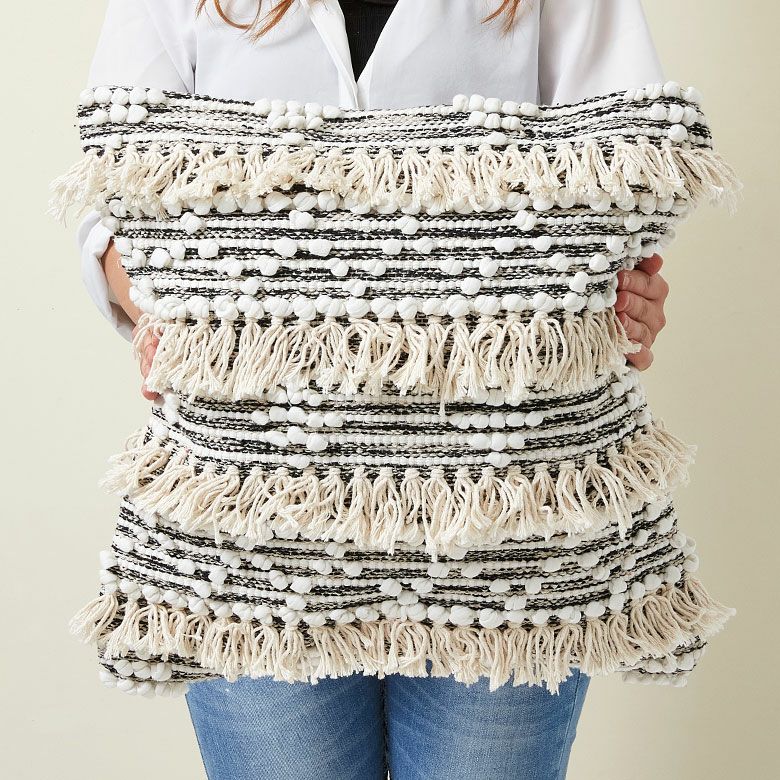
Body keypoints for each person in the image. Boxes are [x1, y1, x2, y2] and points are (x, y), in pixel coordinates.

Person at [75, 2, 672, 778]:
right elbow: (115, 201)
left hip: (507, 528)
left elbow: (625, 167)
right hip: (253, 528)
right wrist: (162, 310)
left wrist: (620, 298)